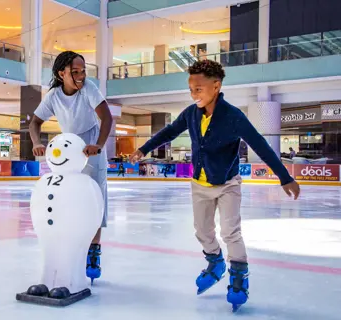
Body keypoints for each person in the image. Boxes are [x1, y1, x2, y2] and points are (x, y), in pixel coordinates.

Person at [129, 60, 301, 310]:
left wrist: (285, 177)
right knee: (202, 230)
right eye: (191, 89)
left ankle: (239, 275)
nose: (193, 94)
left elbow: (260, 145)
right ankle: (215, 261)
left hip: (227, 183)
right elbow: (169, 132)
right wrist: (144, 148)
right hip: (199, 183)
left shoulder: (233, 116)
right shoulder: (190, 113)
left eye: (198, 89)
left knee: (231, 231)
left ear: (216, 85)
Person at [29, 51, 113, 283]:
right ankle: (69, 245)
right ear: (61, 73)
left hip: (92, 147)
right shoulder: (54, 95)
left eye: (83, 71)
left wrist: (99, 144)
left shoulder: (89, 89)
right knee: (68, 198)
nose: (81, 76)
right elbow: (35, 122)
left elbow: (106, 118)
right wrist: (37, 142)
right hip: (69, 148)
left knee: (95, 196)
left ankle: (94, 250)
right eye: (75, 72)